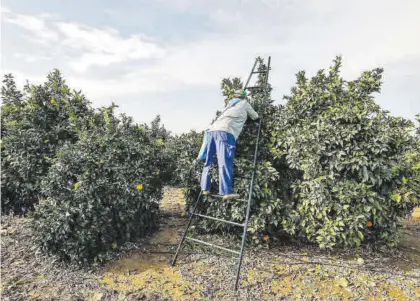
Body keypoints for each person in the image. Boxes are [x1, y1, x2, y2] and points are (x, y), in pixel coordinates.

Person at [197, 89, 259, 200]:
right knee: (225, 161)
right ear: (244, 97)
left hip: (211, 131)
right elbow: (255, 116)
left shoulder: (229, 104)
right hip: (225, 133)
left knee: (208, 161)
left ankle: (205, 188)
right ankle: (226, 192)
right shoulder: (244, 103)